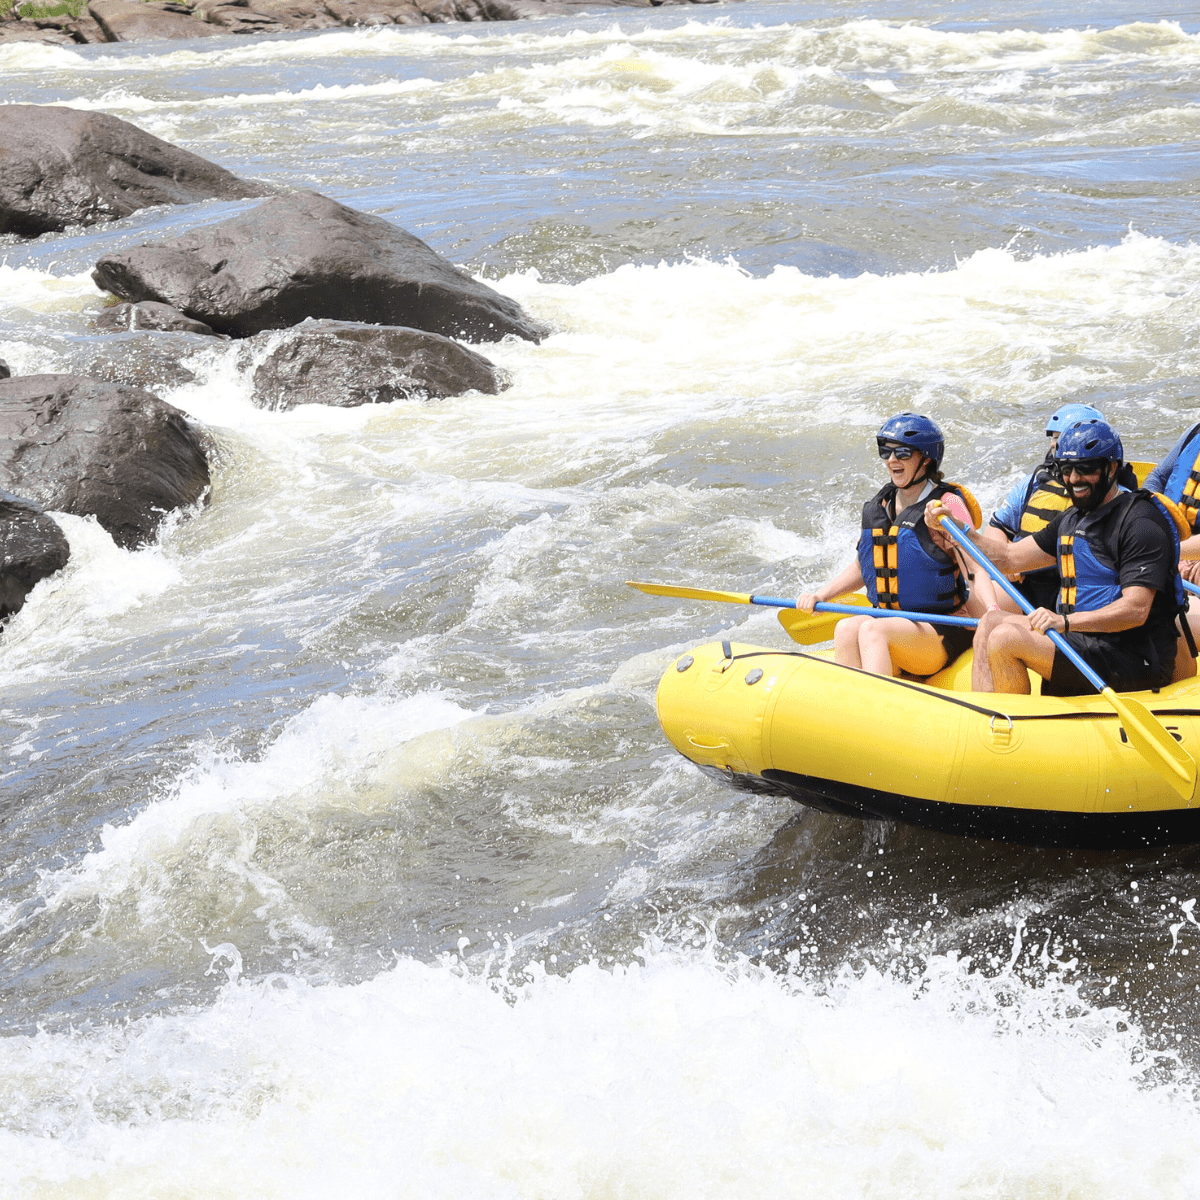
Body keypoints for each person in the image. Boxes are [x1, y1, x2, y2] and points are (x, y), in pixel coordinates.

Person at [928, 419, 1189, 695]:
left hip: (1133, 655)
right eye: (1066, 469)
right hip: (1084, 643)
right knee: (991, 623)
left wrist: (1064, 622)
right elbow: (1008, 558)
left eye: (1086, 469)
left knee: (1006, 638)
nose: (1074, 478)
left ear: (1112, 468)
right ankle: (987, 723)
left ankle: (1016, 728)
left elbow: (1135, 610)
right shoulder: (1074, 519)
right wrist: (960, 531)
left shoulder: (1140, 522)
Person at [796, 413, 988, 678]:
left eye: (903, 453)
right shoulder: (882, 504)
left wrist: (992, 613)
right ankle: (848, 708)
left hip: (941, 626)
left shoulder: (948, 504)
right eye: (886, 452)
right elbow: (866, 565)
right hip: (893, 622)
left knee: (873, 630)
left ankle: (878, 707)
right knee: (845, 628)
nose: (891, 460)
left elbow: (975, 568)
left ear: (927, 458)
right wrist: (822, 595)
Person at [981, 403, 1106, 612]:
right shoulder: (1033, 483)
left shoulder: (1109, 493)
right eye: (1054, 438)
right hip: (1025, 583)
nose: (1055, 445)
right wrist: (1007, 564)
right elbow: (997, 528)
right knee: (981, 604)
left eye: (1062, 438)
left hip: (1075, 590)